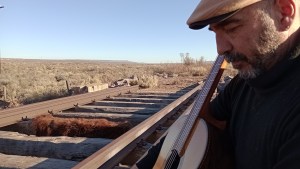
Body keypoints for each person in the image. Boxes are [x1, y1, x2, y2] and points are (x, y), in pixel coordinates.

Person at [133, 0, 300, 168]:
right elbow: (192, 125)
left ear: (284, 13)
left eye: (232, 28)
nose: (220, 49)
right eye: (214, 32)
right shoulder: (244, 83)